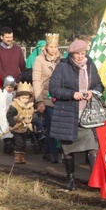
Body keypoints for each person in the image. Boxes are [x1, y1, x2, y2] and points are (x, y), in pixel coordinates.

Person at [49, 39, 104, 190]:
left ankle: (95, 181)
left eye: (82, 53)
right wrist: (72, 94)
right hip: (67, 114)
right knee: (68, 150)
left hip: (88, 116)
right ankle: (71, 178)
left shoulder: (91, 66)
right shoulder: (62, 66)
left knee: (93, 149)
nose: (80, 57)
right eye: (76, 54)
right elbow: (53, 89)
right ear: (71, 54)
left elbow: (99, 85)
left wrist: (92, 92)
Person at [33, 33, 62, 163]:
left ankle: (46, 151)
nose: (53, 49)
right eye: (51, 46)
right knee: (51, 125)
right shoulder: (39, 60)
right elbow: (36, 80)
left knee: (55, 126)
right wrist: (39, 100)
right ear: (46, 46)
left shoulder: (61, 59)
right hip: (46, 97)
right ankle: (53, 154)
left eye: (55, 46)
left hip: (59, 97)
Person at [6, 82, 35, 164]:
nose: (25, 100)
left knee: (24, 142)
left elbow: (32, 114)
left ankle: (22, 156)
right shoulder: (15, 105)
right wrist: (13, 124)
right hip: (17, 127)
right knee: (19, 142)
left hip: (25, 127)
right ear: (18, 97)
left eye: (27, 98)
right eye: (23, 98)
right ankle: (17, 156)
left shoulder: (30, 106)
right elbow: (9, 115)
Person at [0, 76, 16, 155]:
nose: (10, 89)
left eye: (11, 87)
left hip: (11, 115)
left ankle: (11, 143)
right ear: (5, 86)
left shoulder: (13, 95)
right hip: (3, 114)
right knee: (4, 129)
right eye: (8, 87)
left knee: (11, 128)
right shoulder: (1, 95)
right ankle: (7, 144)